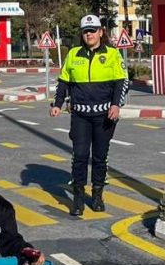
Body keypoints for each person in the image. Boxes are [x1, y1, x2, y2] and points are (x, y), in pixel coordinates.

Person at [49, 14, 129, 215]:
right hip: (80, 116)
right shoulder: (74, 54)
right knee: (80, 156)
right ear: (82, 34)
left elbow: (122, 82)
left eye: (93, 31)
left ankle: (97, 195)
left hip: (105, 116)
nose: (89, 34)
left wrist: (116, 105)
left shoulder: (112, 54)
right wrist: (58, 104)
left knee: (100, 157)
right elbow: (64, 81)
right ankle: (77, 198)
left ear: (101, 32)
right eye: (86, 31)